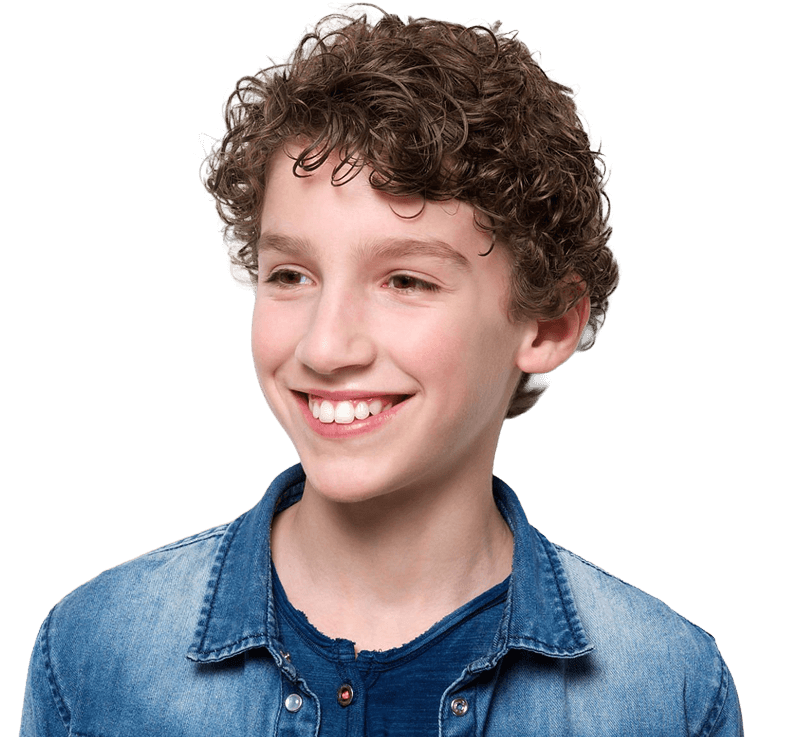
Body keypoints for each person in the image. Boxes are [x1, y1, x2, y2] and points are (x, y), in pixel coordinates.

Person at [20, 4, 743, 735]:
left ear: (548, 323)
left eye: (405, 281)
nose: (325, 347)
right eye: (290, 275)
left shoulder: (664, 685)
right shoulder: (97, 646)